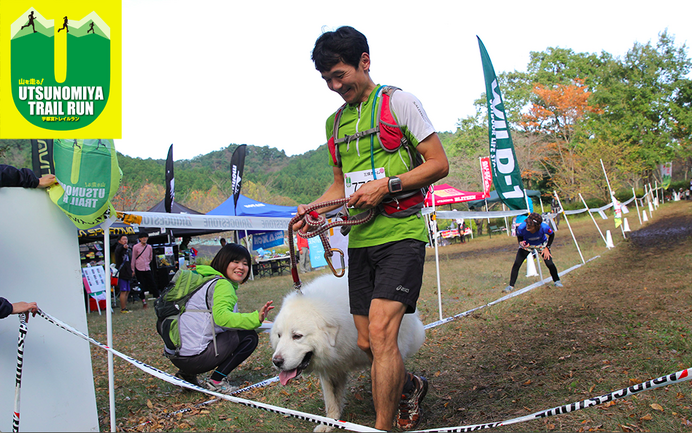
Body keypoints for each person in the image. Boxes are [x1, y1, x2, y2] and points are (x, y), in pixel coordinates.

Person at [294, 26, 449, 430]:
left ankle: (381, 427)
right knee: (367, 343)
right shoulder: (334, 123)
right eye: (326, 79)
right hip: (359, 240)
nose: (333, 85)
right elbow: (340, 184)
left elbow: (437, 163)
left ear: (365, 61)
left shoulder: (400, 102)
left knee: (381, 334)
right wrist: (316, 209)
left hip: (401, 235)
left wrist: (388, 185)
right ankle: (411, 385)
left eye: (339, 74)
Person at [166, 243, 273, 393]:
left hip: (179, 356)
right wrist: (255, 319)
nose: (241, 267)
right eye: (235, 262)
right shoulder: (223, 285)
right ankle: (217, 380)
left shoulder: (206, 278)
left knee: (241, 332)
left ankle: (187, 375)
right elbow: (222, 319)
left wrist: (257, 322)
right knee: (249, 337)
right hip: (196, 358)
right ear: (223, 261)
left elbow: (218, 320)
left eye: (245, 263)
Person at [504, 212, 562, 293]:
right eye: (527, 224)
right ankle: (511, 286)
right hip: (528, 245)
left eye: (530, 226)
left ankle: (557, 281)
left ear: (537, 226)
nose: (527, 227)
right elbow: (519, 236)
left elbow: (552, 235)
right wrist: (521, 243)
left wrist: (547, 248)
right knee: (517, 263)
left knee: (549, 263)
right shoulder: (522, 227)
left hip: (541, 245)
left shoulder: (544, 227)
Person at [131, 232, 157, 307]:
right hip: (139, 267)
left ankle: (157, 297)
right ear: (139, 239)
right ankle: (143, 299)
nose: (144, 239)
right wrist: (133, 269)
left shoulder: (149, 247)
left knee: (152, 282)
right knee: (141, 284)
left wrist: (147, 262)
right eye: (143, 238)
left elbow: (150, 257)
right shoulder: (136, 247)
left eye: (145, 237)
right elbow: (133, 258)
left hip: (147, 267)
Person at [114, 235, 133, 313]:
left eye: (126, 239)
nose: (125, 240)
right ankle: (123, 308)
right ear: (119, 241)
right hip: (122, 272)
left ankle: (125, 307)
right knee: (123, 290)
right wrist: (123, 247)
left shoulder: (127, 250)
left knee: (128, 290)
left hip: (127, 272)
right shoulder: (119, 248)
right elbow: (118, 250)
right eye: (123, 239)